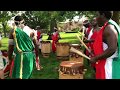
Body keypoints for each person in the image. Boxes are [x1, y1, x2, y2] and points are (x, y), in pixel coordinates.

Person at [90, 11, 120, 79]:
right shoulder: (110, 25)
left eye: (97, 15)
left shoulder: (109, 28)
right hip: (106, 63)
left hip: (108, 65)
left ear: (103, 15)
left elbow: (112, 48)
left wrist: (96, 58)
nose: (96, 18)